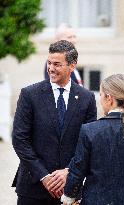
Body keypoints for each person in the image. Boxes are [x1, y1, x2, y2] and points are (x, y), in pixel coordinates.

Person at [12, 40, 97, 205]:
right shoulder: (30, 94)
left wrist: (68, 171)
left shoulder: (86, 98)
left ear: (72, 66)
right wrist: (44, 176)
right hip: (33, 188)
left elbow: (88, 143)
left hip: (70, 189)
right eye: (49, 63)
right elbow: (19, 139)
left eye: (57, 64)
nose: (51, 68)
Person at [61, 74, 124, 205]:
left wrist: (68, 197)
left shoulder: (89, 130)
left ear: (109, 98)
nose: (99, 99)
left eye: (100, 95)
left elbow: (77, 171)